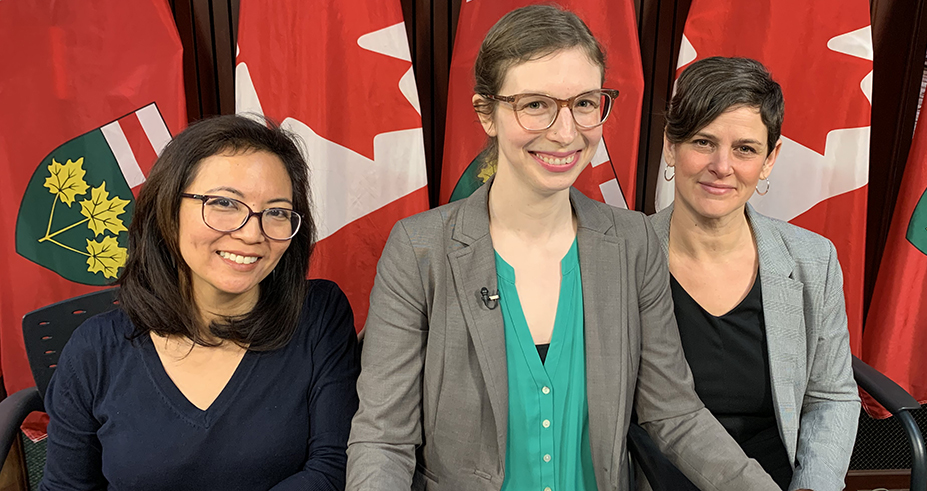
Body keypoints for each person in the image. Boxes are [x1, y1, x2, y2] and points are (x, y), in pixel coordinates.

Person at [347, 6, 780, 491]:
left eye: (584, 103)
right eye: (535, 104)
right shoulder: (419, 249)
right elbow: (383, 439)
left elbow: (675, 412)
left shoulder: (633, 243)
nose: (564, 131)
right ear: (486, 113)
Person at [40, 115, 360, 491]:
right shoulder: (95, 348)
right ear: (168, 210)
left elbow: (333, 467)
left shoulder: (319, 315)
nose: (252, 233)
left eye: (275, 212)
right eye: (224, 203)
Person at [651, 56, 861, 491]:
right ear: (671, 146)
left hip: (778, 477)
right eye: (703, 142)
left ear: (770, 159)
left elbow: (831, 395)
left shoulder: (811, 258)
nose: (722, 166)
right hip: (655, 474)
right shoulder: (626, 254)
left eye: (745, 149)